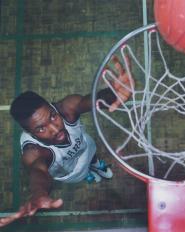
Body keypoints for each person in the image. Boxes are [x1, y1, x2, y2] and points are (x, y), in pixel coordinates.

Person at [0, 56, 134, 227]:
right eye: (41, 129)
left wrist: (115, 92)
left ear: (51, 106)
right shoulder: (34, 152)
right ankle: (87, 174)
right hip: (70, 170)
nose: (56, 130)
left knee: (92, 156)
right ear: (29, 132)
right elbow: (39, 172)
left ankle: (96, 164)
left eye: (53, 116)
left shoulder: (67, 108)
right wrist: (39, 193)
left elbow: (93, 100)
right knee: (83, 173)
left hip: (85, 147)